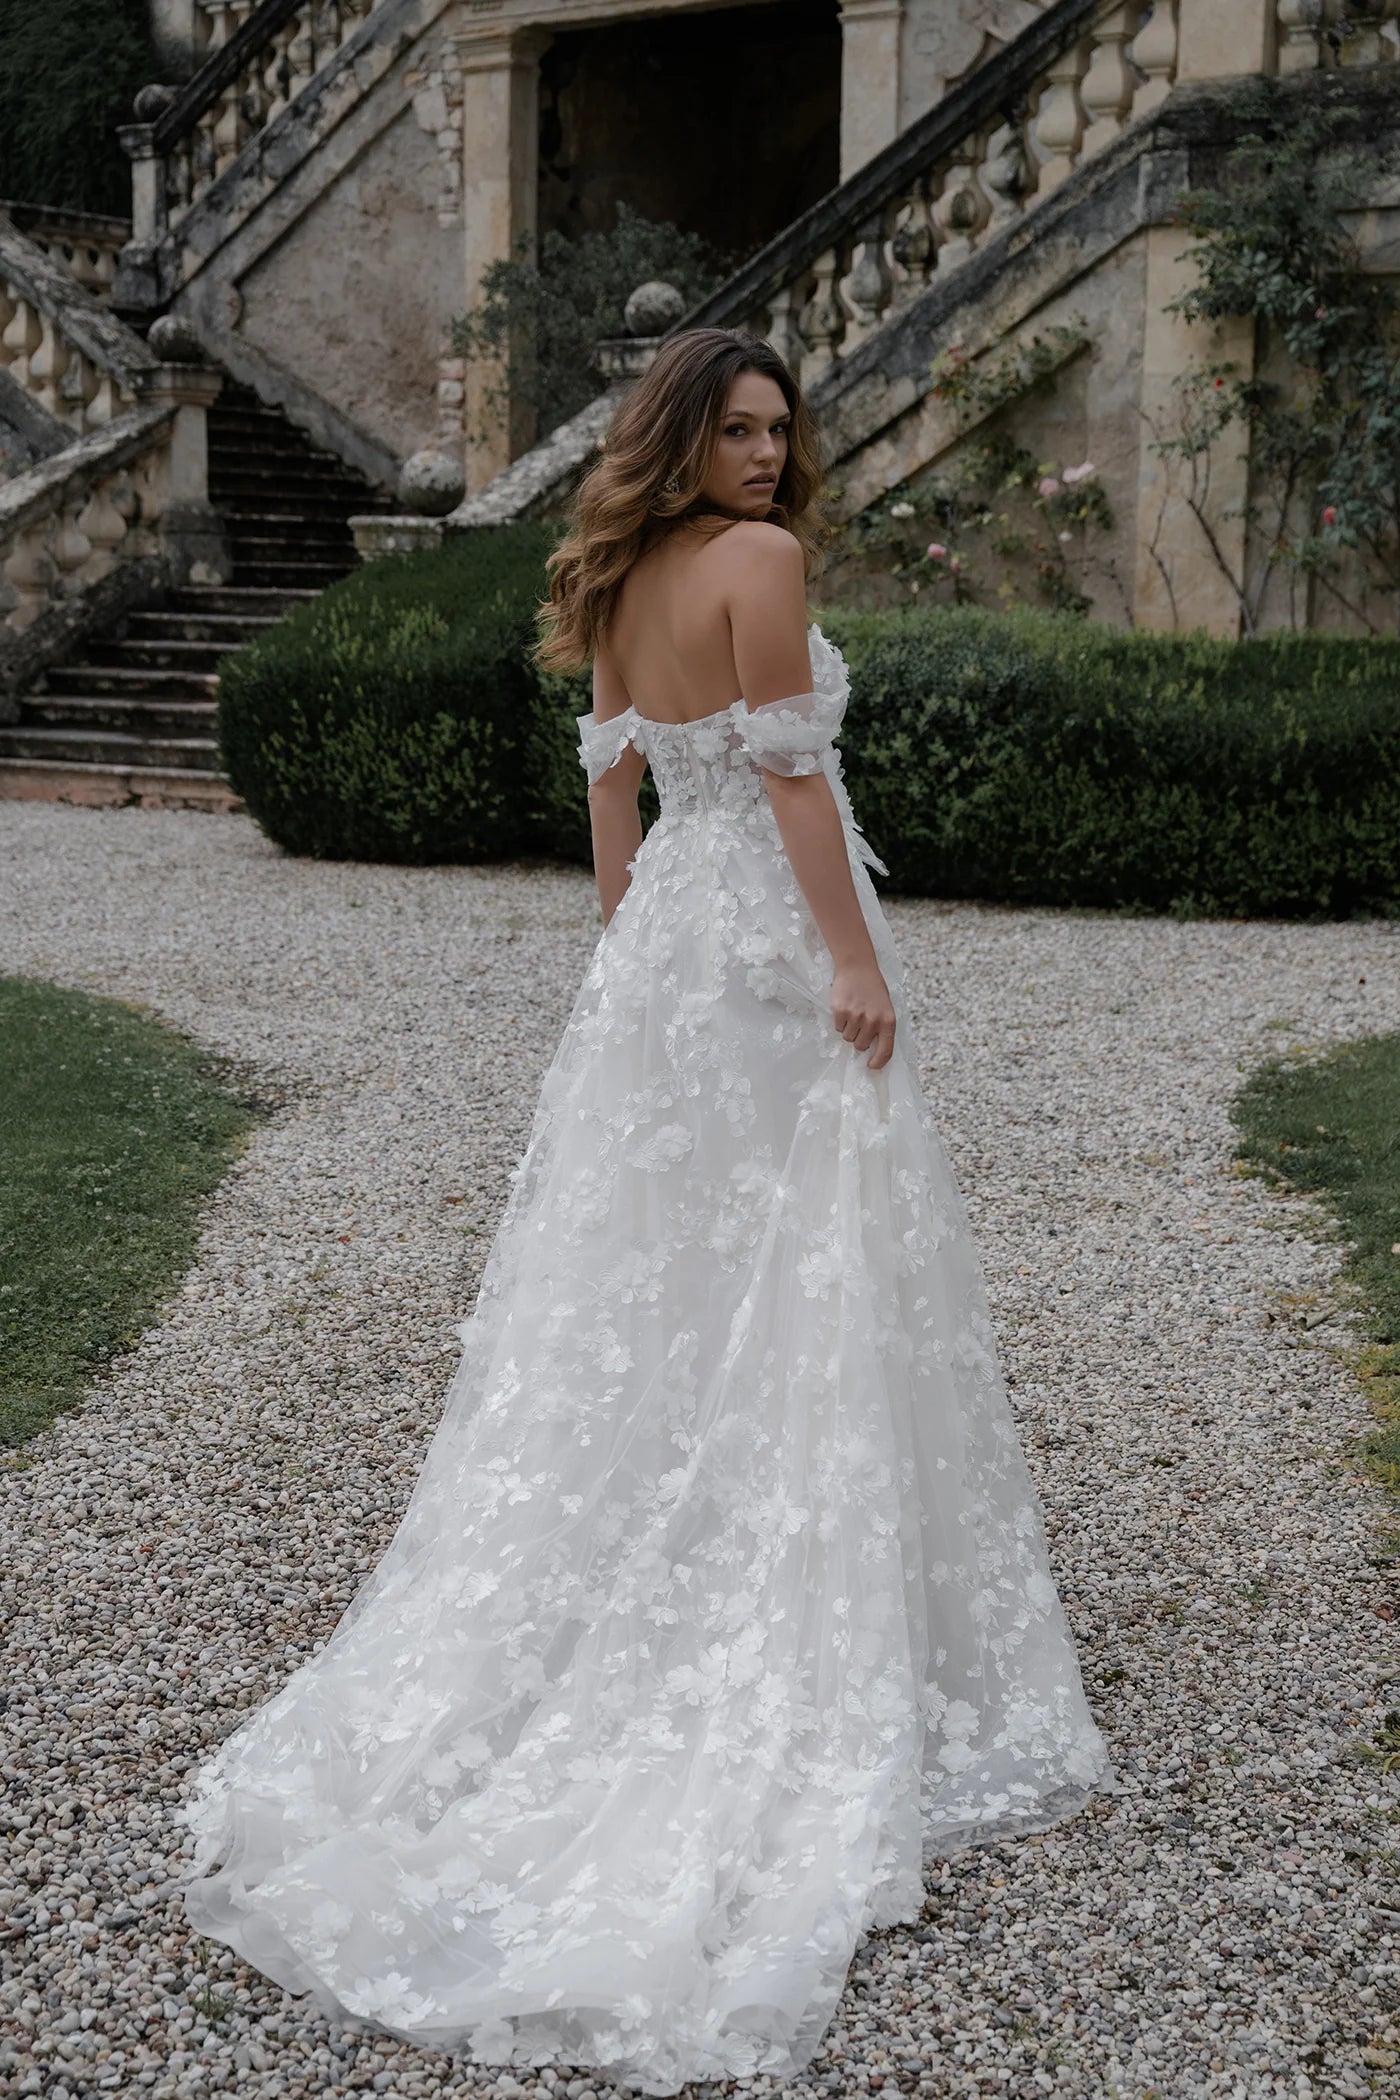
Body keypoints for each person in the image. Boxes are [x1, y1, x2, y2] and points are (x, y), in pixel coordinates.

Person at [173, 327, 1113, 2095]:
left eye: (778, 428)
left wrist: (629, 956)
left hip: (676, 943)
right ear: (682, 436)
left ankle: (681, 1536)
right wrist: (849, 961)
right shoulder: (760, 563)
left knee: (670, 1272)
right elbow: (793, 778)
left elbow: (615, 789)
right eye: (738, 428)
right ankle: (767, 1581)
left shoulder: (614, 577)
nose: (766, 454)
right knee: (800, 1258)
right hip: (762, 946)